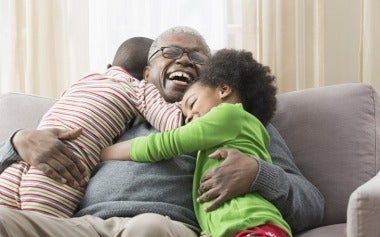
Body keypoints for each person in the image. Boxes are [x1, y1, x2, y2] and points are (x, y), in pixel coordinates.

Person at [0, 26, 324, 236]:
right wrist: (18, 141)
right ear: (145, 71)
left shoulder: (235, 121)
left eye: (198, 57)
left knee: (147, 228)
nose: (184, 60)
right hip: (80, 227)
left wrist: (258, 173)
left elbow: (313, 204)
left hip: (162, 227)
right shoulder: (109, 112)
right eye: (169, 53)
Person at [101, 48, 292, 237]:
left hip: (253, 225)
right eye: (186, 116)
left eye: (192, 104)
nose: (190, 118)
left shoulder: (230, 115)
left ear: (223, 90)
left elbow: (165, 144)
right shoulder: (229, 135)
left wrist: (103, 153)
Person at [0, 36, 182, 218]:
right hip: (61, 171)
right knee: (41, 226)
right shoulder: (139, 88)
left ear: (109, 67)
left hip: (16, 167)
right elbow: (174, 124)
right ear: (147, 74)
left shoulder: (86, 79)